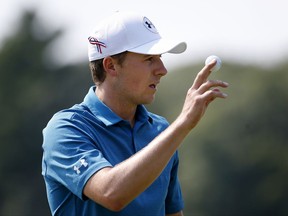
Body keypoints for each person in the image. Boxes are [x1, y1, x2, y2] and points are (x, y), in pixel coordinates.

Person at [41, 11, 228, 216]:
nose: (162, 69)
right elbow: (112, 194)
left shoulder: (160, 130)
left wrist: (176, 129)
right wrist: (182, 124)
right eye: (149, 59)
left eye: (160, 58)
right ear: (111, 66)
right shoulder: (66, 129)